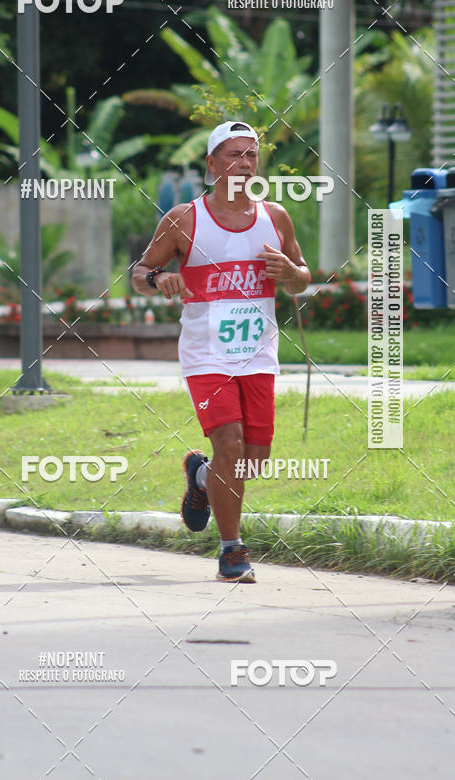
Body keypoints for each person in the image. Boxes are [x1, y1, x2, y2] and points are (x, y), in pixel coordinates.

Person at [132, 120, 310, 582]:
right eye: (233, 154)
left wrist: (290, 269)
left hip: (259, 354)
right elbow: (140, 271)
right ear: (211, 164)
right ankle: (232, 551)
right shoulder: (183, 220)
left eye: (251, 155)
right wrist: (159, 279)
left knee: (253, 457)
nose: (244, 163)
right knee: (229, 443)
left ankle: (200, 478)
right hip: (206, 355)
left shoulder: (275, 216)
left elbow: (303, 276)